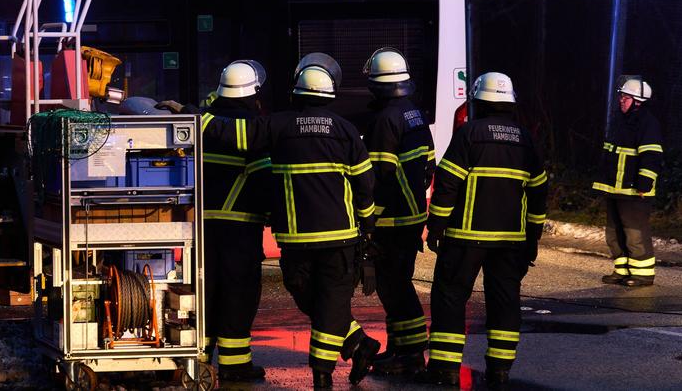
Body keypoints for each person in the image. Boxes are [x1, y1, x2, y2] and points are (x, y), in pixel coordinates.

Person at [165, 53, 380, 388]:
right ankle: (350, 345)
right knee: (248, 294)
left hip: (209, 229)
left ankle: (203, 358)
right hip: (300, 234)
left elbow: (230, 135)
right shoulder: (347, 131)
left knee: (207, 292)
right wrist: (368, 226)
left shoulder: (273, 126)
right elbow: (364, 184)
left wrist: (193, 117)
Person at [425, 72, 547, 390]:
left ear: (479, 100)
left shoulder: (470, 134)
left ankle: (447, 369)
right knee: (505, 301)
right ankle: (500, 370)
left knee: (450, 297)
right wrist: (532, 236)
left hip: (466, 237)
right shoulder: (525, 139)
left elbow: (448, 183)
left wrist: (436, 225)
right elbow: (538, 191)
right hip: (510, 241)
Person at [360, 48, 435, 376]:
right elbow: (429, 166)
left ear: (376, 85)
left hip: (391, 220)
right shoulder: (413, 113)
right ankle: (402, 351)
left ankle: (411, 355)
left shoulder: (383, 120)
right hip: (411, 215)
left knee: (395, 288)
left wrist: (369, 219)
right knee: (398, 283)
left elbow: (380, 176)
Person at [199, 60, 272, 381]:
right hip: (240, 226)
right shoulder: (254, 128)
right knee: (238, 293)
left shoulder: (203, 121)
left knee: (204, 291)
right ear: (254, 91)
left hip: (199, 224)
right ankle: (235, 364)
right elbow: (263, 180)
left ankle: (198, 357)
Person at [593, 76, 662, 287]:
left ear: (638, 101)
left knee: (635, 233)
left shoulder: (648, 124)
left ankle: (643, 275)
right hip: (615, 189)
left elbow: (652, 156)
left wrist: (644, 184)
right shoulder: (620, 122)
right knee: (614, 233)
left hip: (634, 191)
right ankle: (622, 270)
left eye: (626, 97)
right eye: (621, 96)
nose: (621, 100)